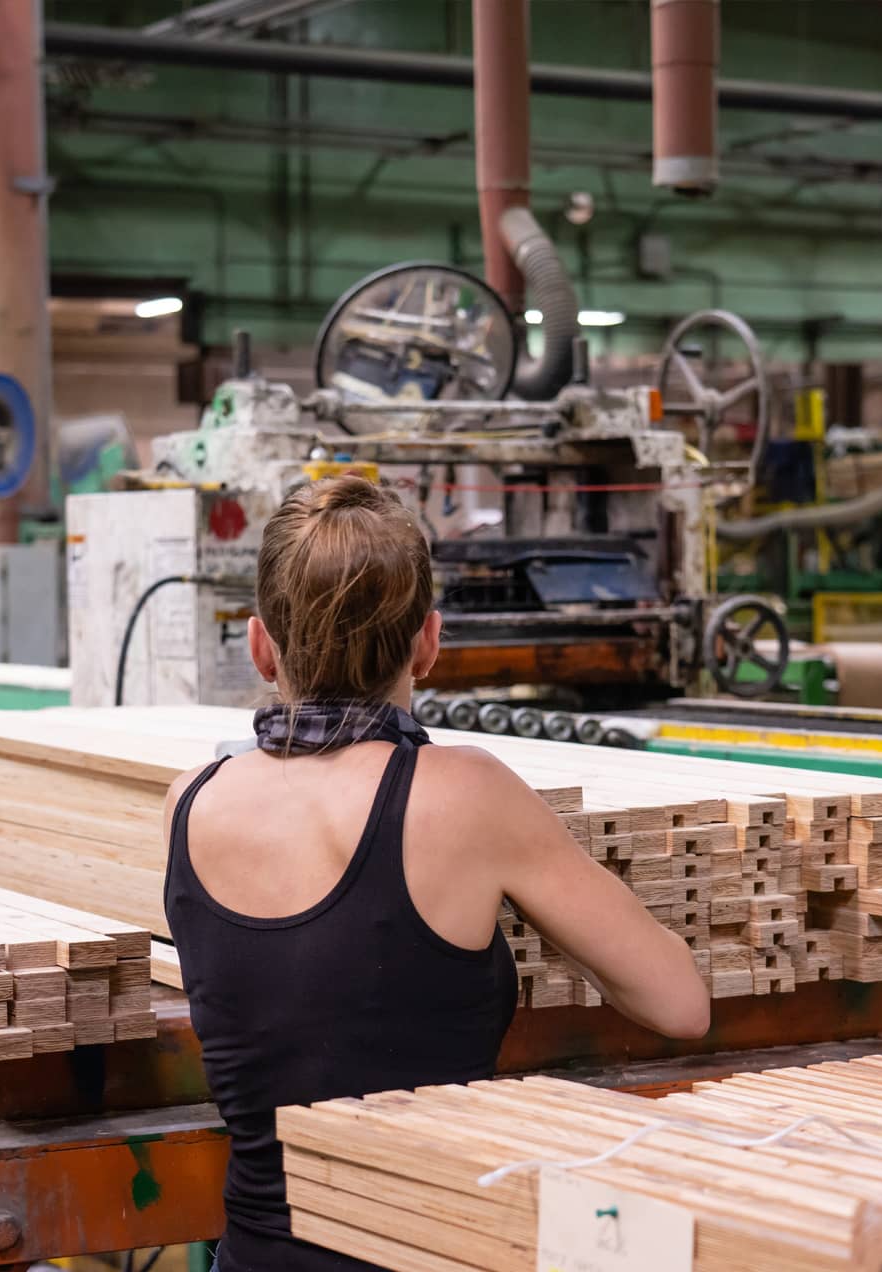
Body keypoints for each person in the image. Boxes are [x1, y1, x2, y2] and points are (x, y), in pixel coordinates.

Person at [163, 474, 710, 1272]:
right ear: (428, 642)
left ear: (258, 645)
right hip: (427, 1252)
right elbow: (681, 1005)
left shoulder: (190, 803)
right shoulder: (465, 795)